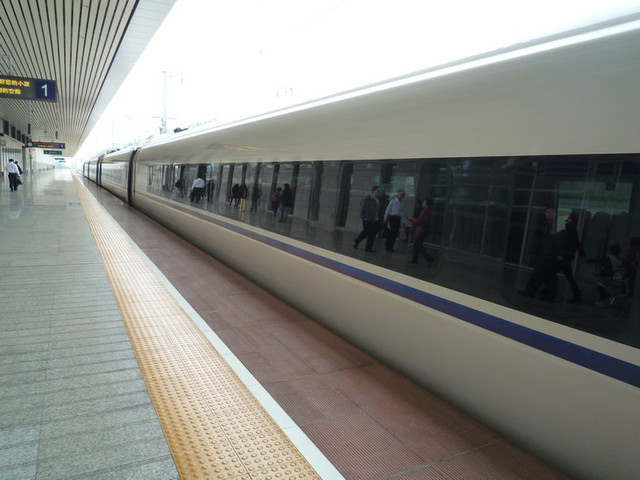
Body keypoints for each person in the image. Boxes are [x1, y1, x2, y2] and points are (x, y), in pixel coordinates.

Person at [519, 212, 584, 303]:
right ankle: (547, 293)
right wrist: (582, 255)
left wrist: (560, 254)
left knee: (543, 273)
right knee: (552, 275)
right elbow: (576, 244)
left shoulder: (566, 233)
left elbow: (562, 243)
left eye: (569, 218)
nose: (566, 220)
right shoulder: (570, 233)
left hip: (557, 257)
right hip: (563, 257)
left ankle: (537, 292)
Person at [354, 185, 382, 252]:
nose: (379, 193)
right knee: (366, 232)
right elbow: (362, 208)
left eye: (380, 192)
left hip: (375, 219)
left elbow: (377, 211)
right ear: (373, 191)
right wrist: (363, 217)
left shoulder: (377, 200)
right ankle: (357, 240)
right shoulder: (366, 199)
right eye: (378, 191)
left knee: (372, 234)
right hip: (367, 219)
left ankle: (368, 247)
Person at [408, 197, 435, 266]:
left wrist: (412, 219)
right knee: (417, 245)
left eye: (424, 202)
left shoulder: (425, 211)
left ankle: (429, 259)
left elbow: (420, 221)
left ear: (426, 203)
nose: (422, 203)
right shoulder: (426, 210)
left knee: (419, 245)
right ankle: (415, 259)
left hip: (420, 230)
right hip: (421, 230)